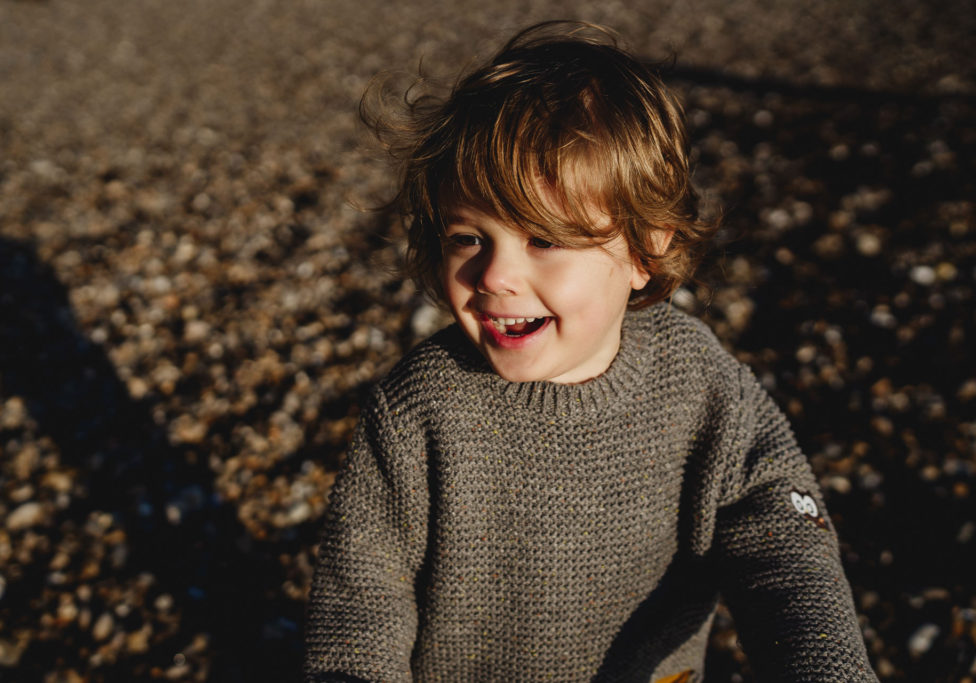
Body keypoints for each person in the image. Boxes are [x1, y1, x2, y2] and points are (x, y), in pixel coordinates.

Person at [305, 21, 877, 682]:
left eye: (543, 240)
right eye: (468, 237)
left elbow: (781, 531)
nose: (494, 275)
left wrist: (824, 664)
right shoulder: (418, 410)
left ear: (644, 248)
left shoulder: (697, 382)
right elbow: (360, 604)